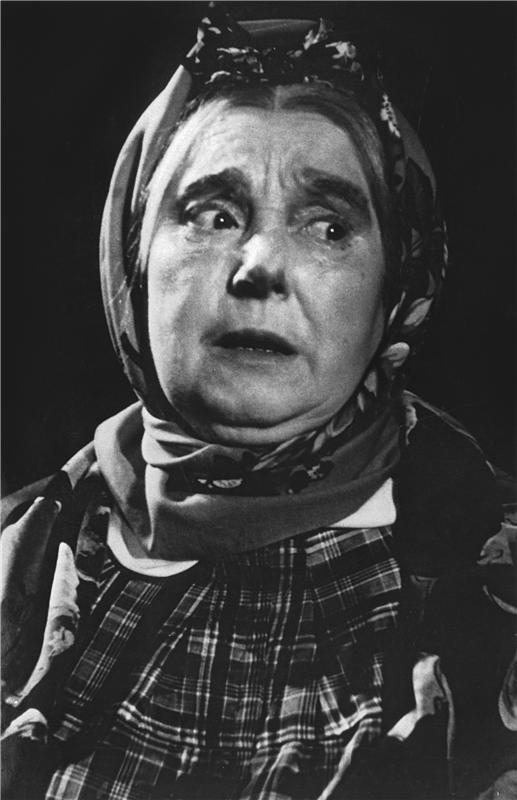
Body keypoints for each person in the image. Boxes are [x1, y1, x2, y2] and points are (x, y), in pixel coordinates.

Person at [1, 6, 515, 799]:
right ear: (131, 263)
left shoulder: (489, 571)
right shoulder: (22, 551)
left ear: (395, 288)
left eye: (328, 227)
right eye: (214, 216)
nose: (259, 267)